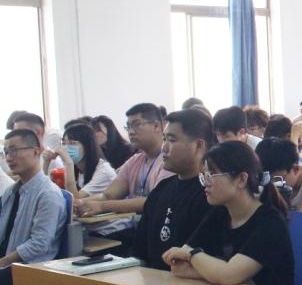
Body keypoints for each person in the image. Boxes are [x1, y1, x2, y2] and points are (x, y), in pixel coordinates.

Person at [162, 141, 293, 285]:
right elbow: (179, 266)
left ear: (241, 179)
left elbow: (227, 275)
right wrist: (217, 274)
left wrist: (192, 255)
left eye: (212, 174)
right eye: (204, 175)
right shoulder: (220, 212)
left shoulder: (271, 223)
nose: (205, 183)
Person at [75, 103, 174, 240]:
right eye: (128, 126)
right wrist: (80, 203)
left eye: (136, 125)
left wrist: (102, 206)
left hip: (163, 233)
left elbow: (151, 201)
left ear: (157, 126)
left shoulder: (169, 160)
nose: (131, 132)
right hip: (140, 232)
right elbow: (108, 195)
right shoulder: (135, 161)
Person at [135, 109, 214, 270]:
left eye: (171, 140)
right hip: (152, 280)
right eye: (164, 139)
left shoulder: (211, 193)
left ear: (198, 145)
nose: (164, 148)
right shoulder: (161, 189)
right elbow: (140, 252)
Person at [0, 129, 68, 285]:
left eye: (14, 150)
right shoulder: (11, 192)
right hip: (8, 263)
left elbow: (39, 244)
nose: (9, 158)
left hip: (29, 269)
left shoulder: (47, 194)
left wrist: (3, 262)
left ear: (36, 151)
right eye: (6, 152)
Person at [256, 138, 302, 216]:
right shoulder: (272, 179)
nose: (272, 185)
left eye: (277, 180)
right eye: (266, 180)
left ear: (295, 169)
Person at [43, 122, 116, 200]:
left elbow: (74, 200)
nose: (66, 148)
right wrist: (46, 162)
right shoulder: (77, 168)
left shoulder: (103, 171)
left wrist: (69, 163)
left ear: (87, 146)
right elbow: (47, 191)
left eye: (72, 143)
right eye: (63, 143)